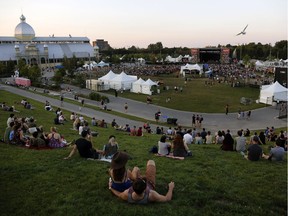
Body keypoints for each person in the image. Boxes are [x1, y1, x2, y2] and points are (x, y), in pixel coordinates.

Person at [109, 160, 175, 204]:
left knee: (139, 173)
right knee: (151, 162)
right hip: (150, 182)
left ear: (132, 187)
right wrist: (171, 188)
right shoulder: (151, 195)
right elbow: (167, 198)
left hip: (139, 187)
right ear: (145, 188)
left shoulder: (126, 194)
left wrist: (111, 188)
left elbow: (118, 194)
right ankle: (144, 176)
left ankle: (141, 176)